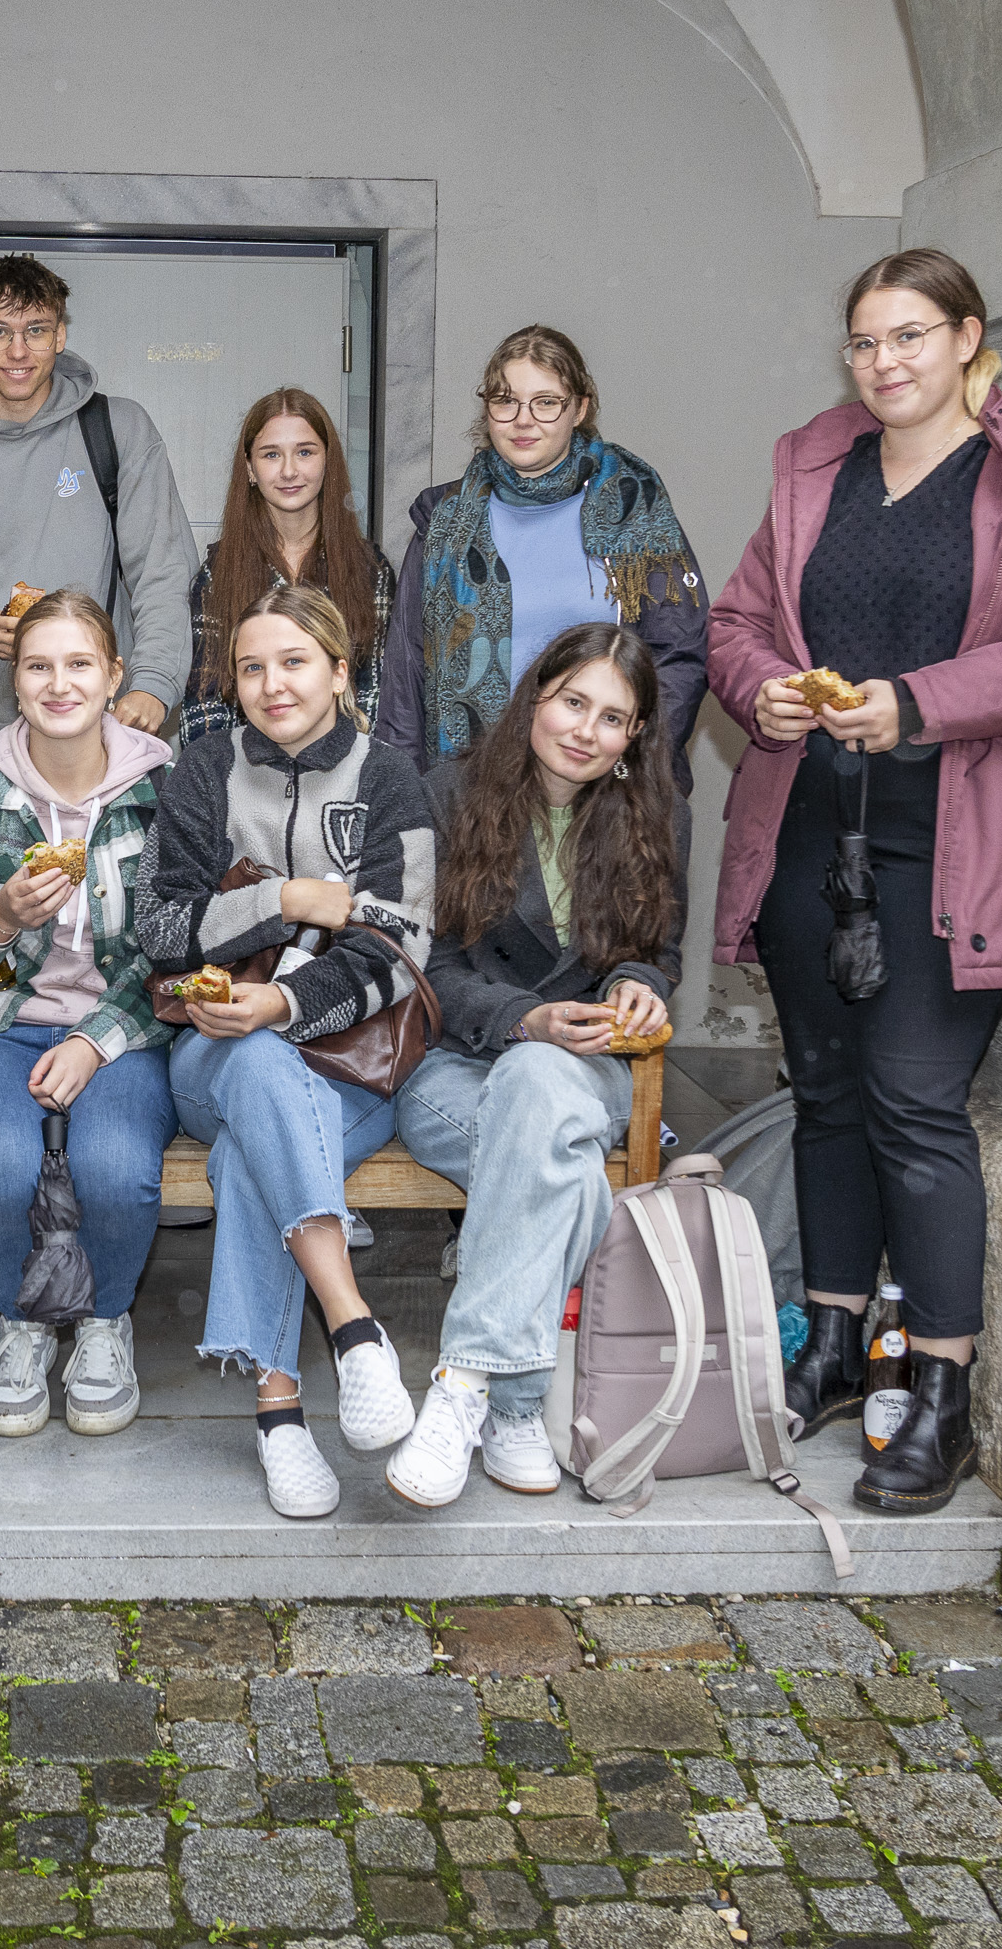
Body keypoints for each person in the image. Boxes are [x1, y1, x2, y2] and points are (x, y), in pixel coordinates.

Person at [709, 247, 1002, 1517]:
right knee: (825, 1090)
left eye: (908, 337)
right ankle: (833, 1343)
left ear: (966, 340)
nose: (884, 363)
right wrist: (763, 687)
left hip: (957, 842)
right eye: (864, 343)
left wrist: (914, 703)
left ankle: (938, 1383)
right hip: (806, 830)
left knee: (914, 1101)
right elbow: (737, 623)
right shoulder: (813, 467)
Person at [138, 584, 438, 1519]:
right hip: (210, 1062)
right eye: (252, 667)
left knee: (250, 1152)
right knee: (259, 1069)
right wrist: (284, 902)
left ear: (342, 673)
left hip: (355, 1068)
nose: (272, 684)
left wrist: (283, 1001)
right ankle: (354, 1330)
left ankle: (278, 1411)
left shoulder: (390, 780)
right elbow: (157, 926)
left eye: (295, 661)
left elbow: (401, 945)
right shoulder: (202, 769)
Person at [380, 625, 689, 1507]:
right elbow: (424, 968)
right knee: (560, 1166)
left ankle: (463, 1387)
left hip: (584, 1066)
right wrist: (525, 1017)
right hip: (453, 1067)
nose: (586, 730)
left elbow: (654, 952)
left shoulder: (659, 814)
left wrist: (634, 985)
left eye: (613, 719)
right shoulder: (444, 795)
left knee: (539, 1089)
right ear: (535, 697)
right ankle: (515, 1406)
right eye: (572, 702)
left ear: (635, 738)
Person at [0, 591, 178, 1438]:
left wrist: (95, 1040)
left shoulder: (169, 795)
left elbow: (180, 958)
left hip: (123, 1028)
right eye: (37, 666)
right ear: (12, 681)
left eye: (78, 664)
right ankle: (20, 1321)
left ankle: (103, 1321)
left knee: (113, 1166)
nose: (58, 683)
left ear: (113, 677)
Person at [0, 253, 195, 759]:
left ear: (59, 336)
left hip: (106, 733)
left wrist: (154, 683)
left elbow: (162, 574)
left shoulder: (119, 431)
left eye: (35, 329)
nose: (18, 350)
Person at [375, 325, 707, 778]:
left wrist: (629, 767)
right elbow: (405, 675)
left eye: (546, 402)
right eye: (505, 400)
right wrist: (406, 798)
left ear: (580, 408)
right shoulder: (443, 521)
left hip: (606, 794)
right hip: (471, 794)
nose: (522, 420)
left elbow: (676, 655)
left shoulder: (634, 509)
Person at [180, 385, 394, 744]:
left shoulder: (370, 570)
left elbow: (375, 695)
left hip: (344, 769)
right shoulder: (218, 575)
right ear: (250, 468)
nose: (289, 471)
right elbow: (203, 705)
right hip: (243, 774)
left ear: (328, 461)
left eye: (305, 452)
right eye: (271, 455)